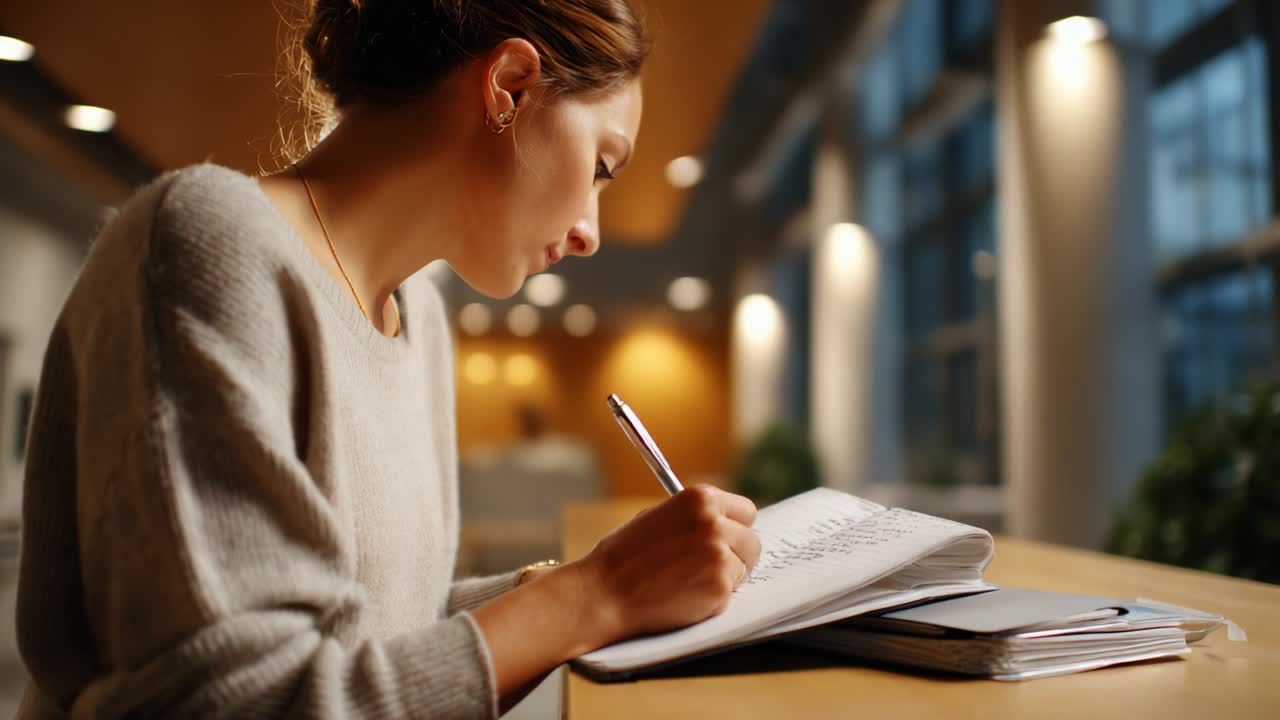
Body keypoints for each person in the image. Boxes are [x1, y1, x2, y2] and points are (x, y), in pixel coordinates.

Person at [13, 1, 762, 718]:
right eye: (602, 165)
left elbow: (382, 629)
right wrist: (596, 595)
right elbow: (234, 701)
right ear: (510, 86)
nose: (590, 233)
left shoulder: (420, 318)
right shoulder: (209, 241)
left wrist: (599, 580)